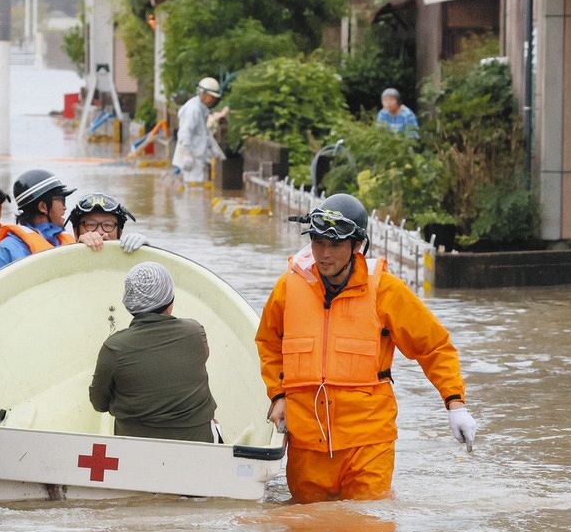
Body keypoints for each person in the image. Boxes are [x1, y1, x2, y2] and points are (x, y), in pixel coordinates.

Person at [255, 194, 476, 503]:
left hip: (368, 444)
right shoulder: (289, 287)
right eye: (318, 242)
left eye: (335, 245)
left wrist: (455, 404)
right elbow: (268, 341)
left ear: (357, 246)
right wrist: (278, 395)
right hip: (307, 445)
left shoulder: (386, 290)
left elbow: (434, 347)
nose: (324, 253)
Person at [89, 262, 218, 443]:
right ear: (170, 299)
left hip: (136, 450)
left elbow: (99, 403)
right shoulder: (195, 332)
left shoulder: (115, 347)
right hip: (196, 444)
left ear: (128, 303)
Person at [0, 168, 76, 274]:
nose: (65, 207)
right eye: (62, 200)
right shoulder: (5, 251)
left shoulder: (68, 243)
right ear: (43, 207)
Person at [172, 76, 226, 183]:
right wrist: (187, 154)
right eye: (211, 97)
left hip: (197, 159)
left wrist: (216, 152)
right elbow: (184, 133)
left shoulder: (201, 110)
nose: (213, 100)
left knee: (197, 192)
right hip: (191, 161)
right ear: (203, 93)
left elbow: (204, 135)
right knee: (193, 193)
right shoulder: (193, 109)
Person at [67, 192, 149, 254]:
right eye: (91, 225)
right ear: (75, 232)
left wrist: (145, 251)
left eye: (108, 225)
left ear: (119, 232)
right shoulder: (63, 255)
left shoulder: (129, 260)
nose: (100, 232)